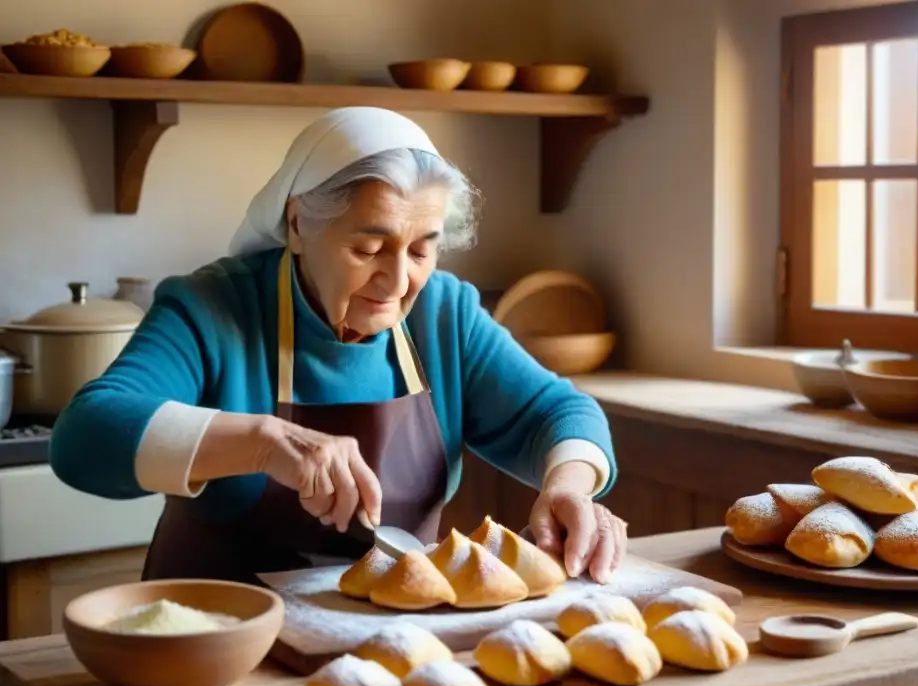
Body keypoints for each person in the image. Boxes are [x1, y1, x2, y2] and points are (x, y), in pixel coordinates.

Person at [49, 106, 625, 586]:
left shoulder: (444, 314)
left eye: (422, 249)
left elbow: (560, 411)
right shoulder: (212, 308)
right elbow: (84, 436)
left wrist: (568, 487)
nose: (398, 282)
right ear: (298, 225)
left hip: (396, 639)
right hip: (219, 641)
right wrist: (265, 440)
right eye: (369, 248)